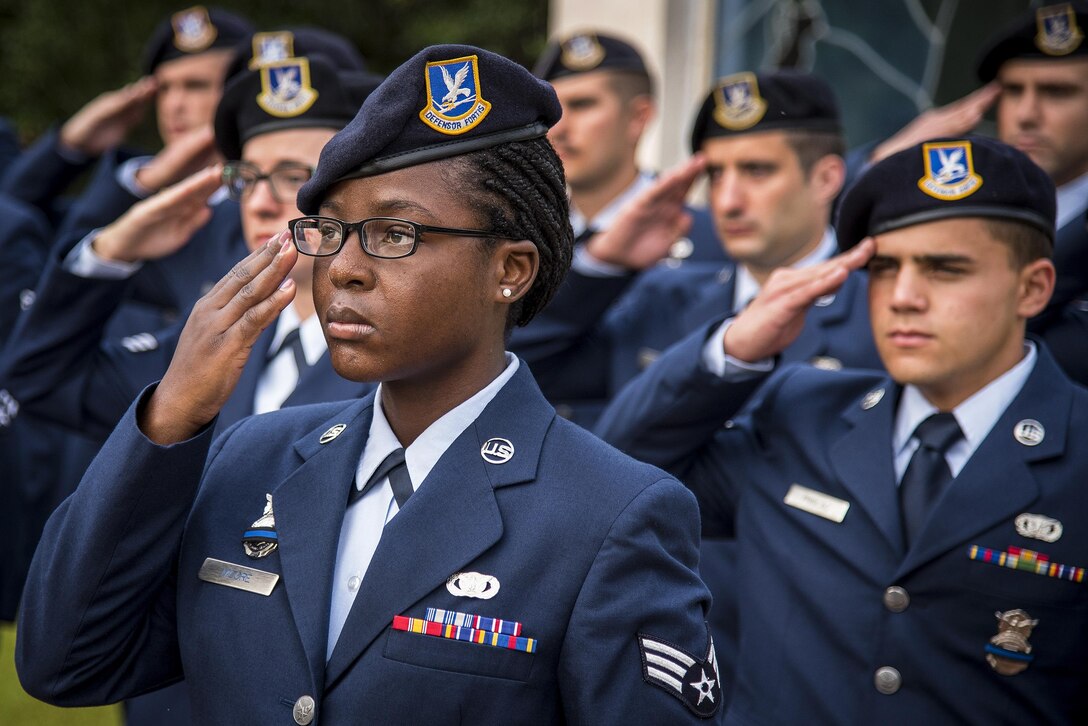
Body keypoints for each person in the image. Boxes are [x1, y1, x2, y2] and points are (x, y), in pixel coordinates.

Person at [16, 45, 720, 723]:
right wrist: (170, 418)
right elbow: (67, 661)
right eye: (330, 229)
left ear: (511, 270)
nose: (342, 269)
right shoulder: (251, 457)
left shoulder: (609, 514)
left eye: (394, 234)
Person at [598, 135, 1088, 723]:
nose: (904, 298)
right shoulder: (803, 414)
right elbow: (618, 477)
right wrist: (731, 350)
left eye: (946, 269)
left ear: (1033, 287)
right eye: (884, 269)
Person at [862, 1, 1088, 381]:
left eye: (1057, 92)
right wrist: (884, 163)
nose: (1027, 114)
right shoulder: (959, 205)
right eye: (1013, 91)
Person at [0, 6, 252, 230]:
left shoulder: (263, 198)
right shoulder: (128, 188)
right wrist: (69, 147)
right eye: (163, 89)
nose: (174, 105)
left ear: (240, 91)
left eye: (196, 86)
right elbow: (11, 227)